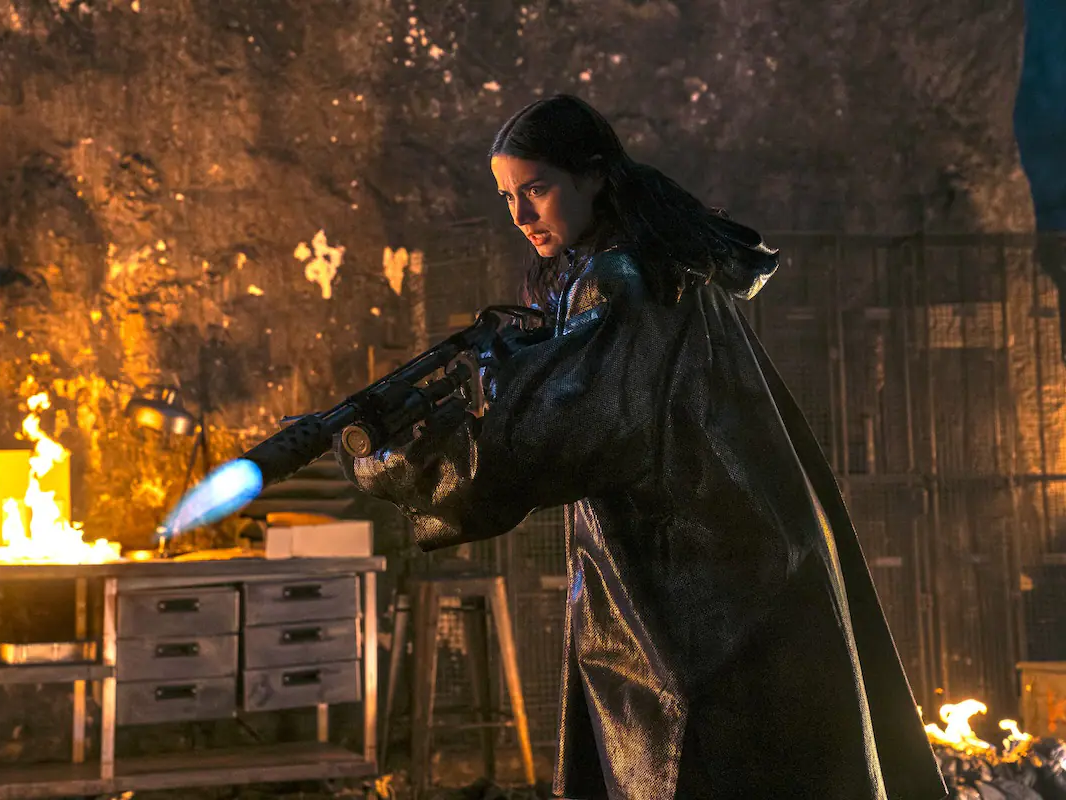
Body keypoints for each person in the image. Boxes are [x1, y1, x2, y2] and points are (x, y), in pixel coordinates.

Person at [339, 94, 947, 800]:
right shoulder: (654, 265)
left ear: (593, 176)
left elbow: (547, 443)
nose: (520, 215)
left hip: (703, 604)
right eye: (507, 196)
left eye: (536, 189)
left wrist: (405, 464)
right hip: (734, 581)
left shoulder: (623, 281)